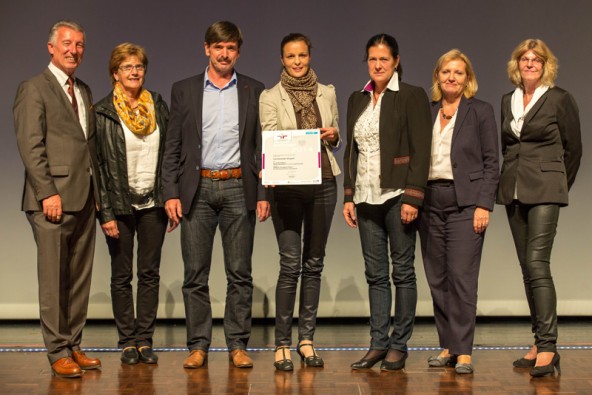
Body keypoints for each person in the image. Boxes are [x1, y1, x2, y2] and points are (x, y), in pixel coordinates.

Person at [161, 21, 270, 369]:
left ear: (238, 51)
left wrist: (264, 190)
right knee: (195, 273)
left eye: (231, 48)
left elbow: (261, 146)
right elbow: (173, 146)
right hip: (198, 188)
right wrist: (171, 192)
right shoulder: (185, 89)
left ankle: (237, 344)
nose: (225, 54)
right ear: (206, 48)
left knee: (240, 272)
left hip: (240, 187)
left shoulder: (254, 88)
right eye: (218, 47)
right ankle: (198, 346)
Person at [13, 20, 101, 378]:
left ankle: (73, 344)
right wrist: (47, 191)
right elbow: (30, 146)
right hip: (52, 200)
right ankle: (56, 350)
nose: (73, 50)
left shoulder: (84, 90)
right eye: (66, 43)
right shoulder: (33, 88)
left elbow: (87, 146)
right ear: (51, 47)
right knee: (53, 277)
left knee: (79, 277)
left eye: (79, 45)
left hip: (85, 197)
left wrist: (99, 194)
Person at [342, 33, 432, 371]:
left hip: (398, 195)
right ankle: (378, 343)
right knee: (375, 273)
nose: (377, 65)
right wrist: (349, 196)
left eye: (383, 59)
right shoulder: (357, 98)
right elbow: (352, 152)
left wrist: (413, 196)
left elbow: (421, 150)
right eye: (372, 59)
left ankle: (399, 344)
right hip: (366, 197)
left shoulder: (410, 95)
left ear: (395, 61)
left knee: (403, 272)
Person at [498, 39, 582, 377]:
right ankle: (538, 341)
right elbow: (508, 145)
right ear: (516, 64)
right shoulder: (509, 100)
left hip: (546, 189)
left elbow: (574, 149)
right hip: (514, 189)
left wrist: (558, 184)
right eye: (524, 58)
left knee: (537, 263)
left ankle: (548, 347)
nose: (530, 63)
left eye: (536, 59)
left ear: (546, 64)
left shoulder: (560, 99)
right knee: (526, 268)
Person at [259, 33, 341, 371]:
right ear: (282, 59)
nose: (297, 62)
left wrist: (333, 135)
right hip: (288, 186)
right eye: (291, 56)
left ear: (310, 57)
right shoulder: (269, 97)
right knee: (290, 264)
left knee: (315, 263)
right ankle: (281, 343)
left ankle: (306, 340)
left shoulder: (328, 92)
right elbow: (269, 138)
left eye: (302, 56)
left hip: (323, 183)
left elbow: (334, 135)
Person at [418, 49, 499, 374]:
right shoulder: (427, 111)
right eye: (446, 72)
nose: (451, 77)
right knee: (438, 279)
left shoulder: (480, 111)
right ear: (438, 76)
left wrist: (483, 204)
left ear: (468, 79)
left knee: (462, 278)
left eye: (458, 73)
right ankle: (448, 345)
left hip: (465, 204)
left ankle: (464, 351)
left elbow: (492, 162)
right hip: (429, 202)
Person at [94, 43, 169, 365]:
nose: (134, 72)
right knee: (121, 275)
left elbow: (170, 154)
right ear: (115, 73)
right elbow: (97, 166)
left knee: (149, 273)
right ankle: (127, 341)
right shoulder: (103, 112)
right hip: (119, 206)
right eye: (127, 67)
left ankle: (144, 340)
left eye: (138, 66)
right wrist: (105, 213)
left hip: (153, 204)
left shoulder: (159, 106)